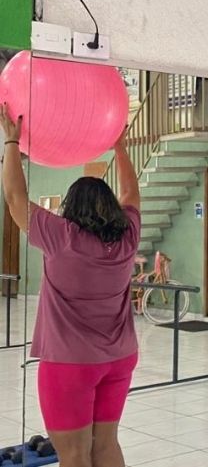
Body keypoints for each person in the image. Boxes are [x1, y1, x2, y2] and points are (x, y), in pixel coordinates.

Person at [0, 104, 141, 467]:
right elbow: (131, 194)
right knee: (106, 446)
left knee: (75, 455)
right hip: (120, 358)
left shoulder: (62, 237)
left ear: (70, 208)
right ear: (109, 207)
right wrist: (122, 150)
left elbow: (15, 198)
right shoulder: (127, 237)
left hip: (69, 363)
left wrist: (12, 142)